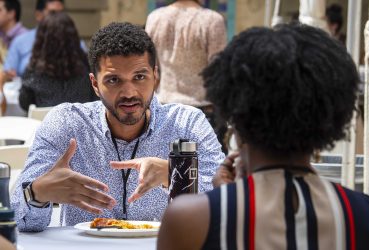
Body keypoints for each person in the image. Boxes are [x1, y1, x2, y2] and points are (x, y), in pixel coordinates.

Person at [157, 24, 369, 249]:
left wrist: (224, 198)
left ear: (236, 121)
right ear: (331, 119)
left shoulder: (190, 218)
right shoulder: (364, 214)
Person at [10, 22, 224, 232]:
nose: (129, 92)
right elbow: (21, 220)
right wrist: (36, 193)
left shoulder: (187, 123)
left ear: (155, 76)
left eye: (139, 77)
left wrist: (175, 175)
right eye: (114, 80)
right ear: (94, 84)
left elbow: (225, 202)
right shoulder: (67, 123)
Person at [145, 0, 227, 150]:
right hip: (202, 112)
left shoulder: (155, 18)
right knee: (202, 170)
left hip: (165, 110)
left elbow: (150, 67)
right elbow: (218, 71)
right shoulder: (212, 20)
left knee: (168, 169)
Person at [18, 12, 97, 111]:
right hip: (81, 124)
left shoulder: (33, 72)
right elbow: (96, 99)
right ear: (74, 38)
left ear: (41, 40)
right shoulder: (87, 66)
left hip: (45, 124)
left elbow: (24, 103)